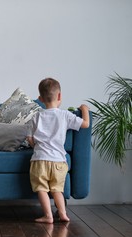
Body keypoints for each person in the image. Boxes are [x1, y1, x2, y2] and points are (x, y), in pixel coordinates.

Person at [26, 77, 90, 223]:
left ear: (40, 98)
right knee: (57, 190)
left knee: (41, 188)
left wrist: (34, 144)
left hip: (40, 160)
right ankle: (63, 214)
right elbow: (85, 124)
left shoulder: (36, 116)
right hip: (59, 161)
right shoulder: (65, 115)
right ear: (59, 96)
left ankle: (48, 216)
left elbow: (29, 139)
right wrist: (84, 109)